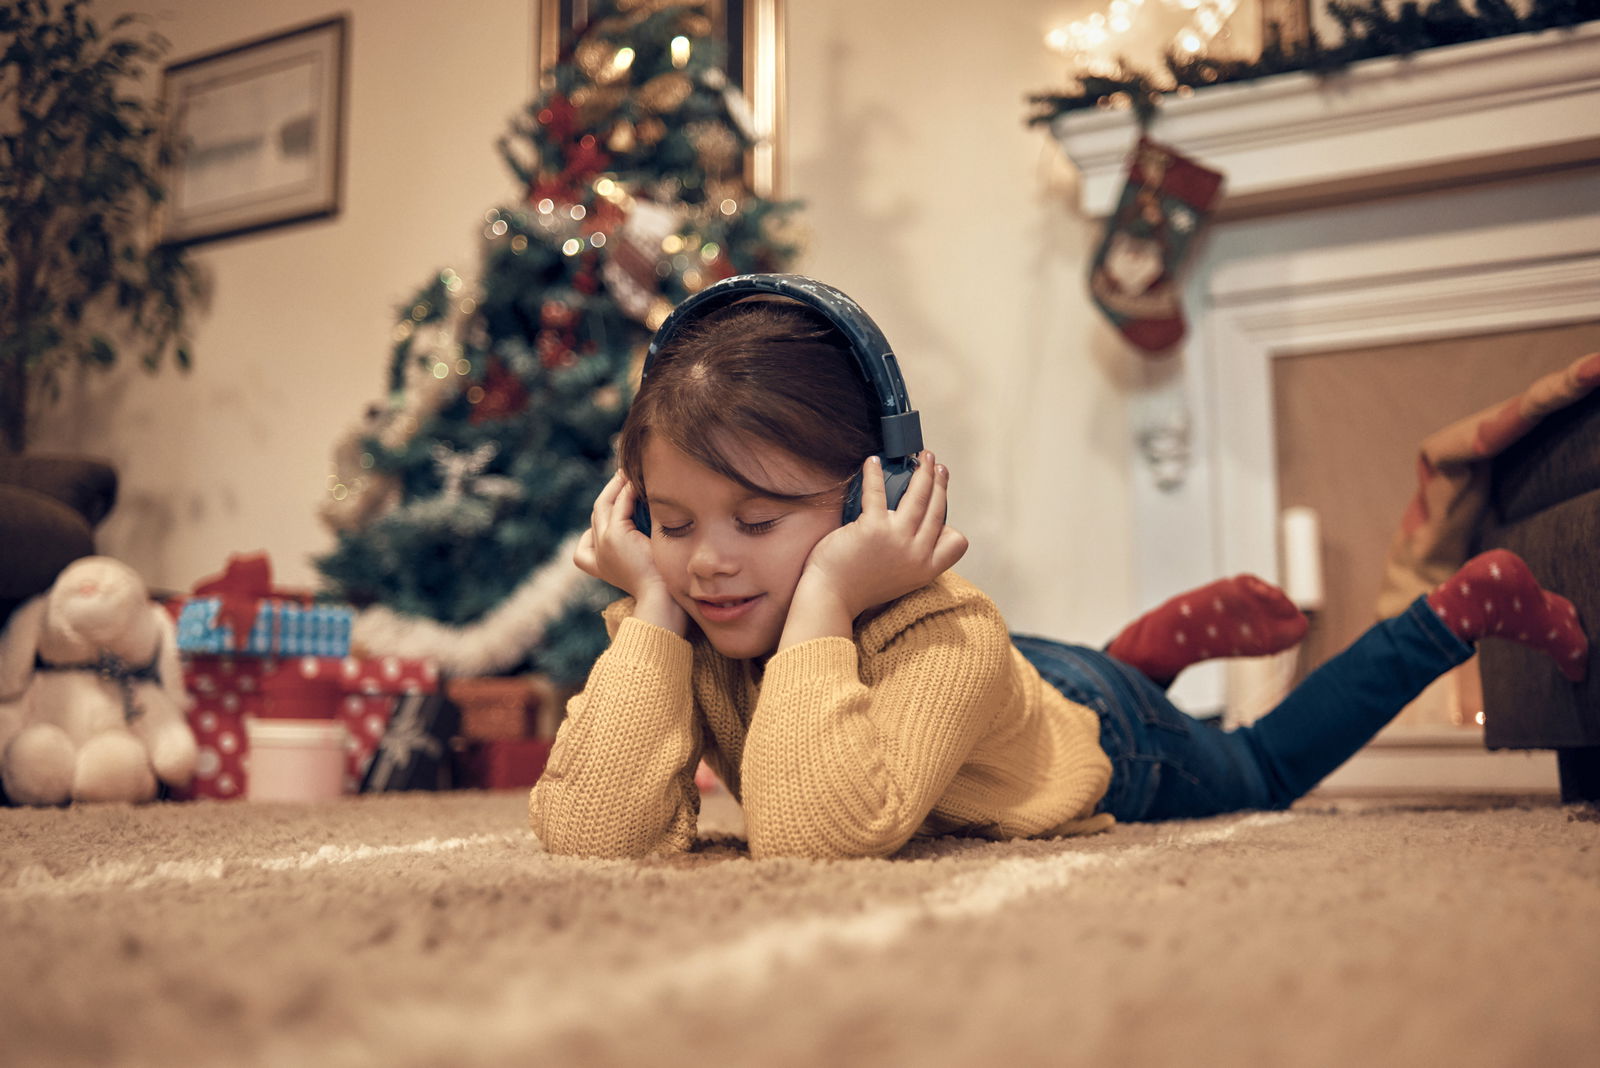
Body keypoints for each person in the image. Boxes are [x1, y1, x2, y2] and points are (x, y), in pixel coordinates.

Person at [528, 287, 1589, 860]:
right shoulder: (682, 606)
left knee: (1260, 770)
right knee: (1048, 687)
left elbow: (814, 841)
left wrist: (820, 601)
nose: (708, 560)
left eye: (755, 521)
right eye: (670, 522)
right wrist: (652, 603)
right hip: (1004, 699)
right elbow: (592, 834)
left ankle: (1455, 612)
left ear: (872, 496)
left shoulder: (946, 630)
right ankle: (1146, 654)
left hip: (1098, 739)